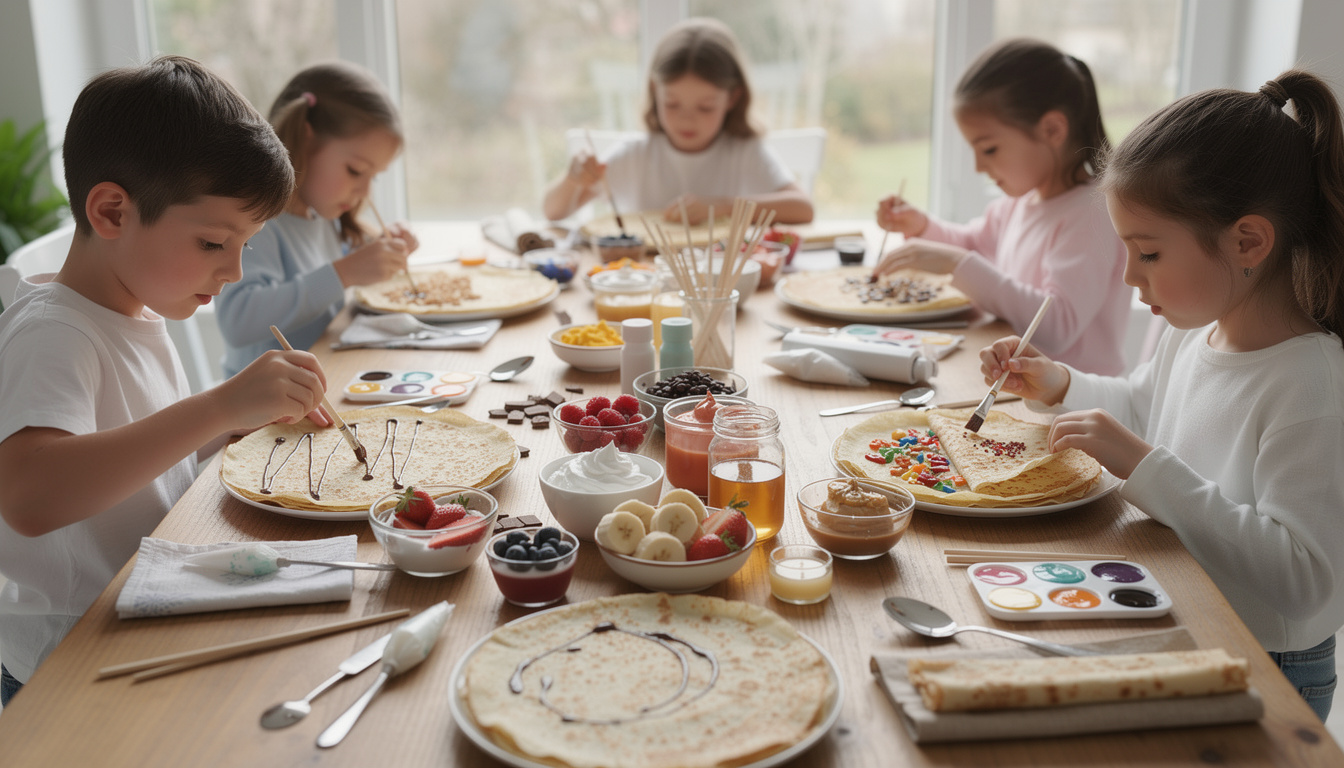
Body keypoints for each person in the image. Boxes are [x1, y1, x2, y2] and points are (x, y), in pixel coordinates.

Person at [980, 71, 1344, 720]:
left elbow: (1305, 579)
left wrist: (1149, 470)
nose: (1127, 277)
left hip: (1268, 664)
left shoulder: (1311, 382)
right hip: (1190, 612)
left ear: (1248, 241)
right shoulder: (1196, 333)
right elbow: (1143, 409)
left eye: (1147, 253)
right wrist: (1058, 384)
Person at [0, 56, 331, 706]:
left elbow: (142, 468)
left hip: (139, 613)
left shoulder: (139, 309)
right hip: (65, 665)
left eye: (246, 245)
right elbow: (29, 496)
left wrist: (234, 425)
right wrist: (216, 406)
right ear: (113, 213)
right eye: (214, 243)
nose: (234, 271)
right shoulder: (57, 333)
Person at [874, 39, 1129, 375]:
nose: (979, 166)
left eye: (989, 149)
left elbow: (1056, 327)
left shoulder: (1092, 214)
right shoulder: (1019, 203)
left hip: (1071, 410)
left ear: (1052, 129)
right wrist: (920, 226)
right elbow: (970, 245)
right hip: (1019, 393)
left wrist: (959, 264)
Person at [216, 62, 419, 378]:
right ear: (307, 139)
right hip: (262, 412)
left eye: (373, 178)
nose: (365, 190)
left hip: (323, 385)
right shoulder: (259, 221)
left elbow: (320, 281)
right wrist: (345, 273)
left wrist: (383, 252)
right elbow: (237, 320)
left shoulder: (320, 215)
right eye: (355, 171)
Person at [542, 17, 813, 225]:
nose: (687, 118)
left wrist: (724, 206)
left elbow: (803, 208)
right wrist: (572, 179)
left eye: (705, 107)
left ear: (732, 98)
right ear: (653, 91)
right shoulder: (635, 154)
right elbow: (552, 211)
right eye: (672, 104)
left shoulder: (744, 151)